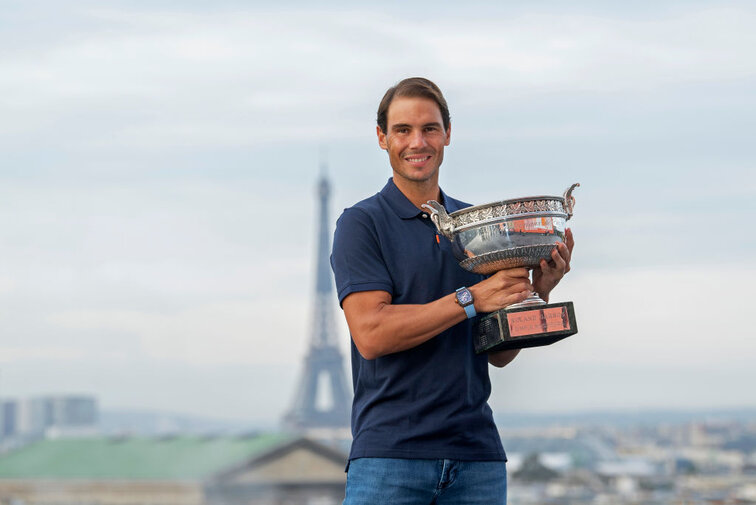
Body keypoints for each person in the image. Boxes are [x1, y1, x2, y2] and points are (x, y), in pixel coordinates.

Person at [330, 77, 574, 505]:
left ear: (447, 134)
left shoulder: (478, 226)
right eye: (403, 130)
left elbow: (497, 354)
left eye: (429, 128)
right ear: (382, 138)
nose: (417, 141)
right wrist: (473, 299)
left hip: (476, 458)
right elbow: (371, 335)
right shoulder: (362, 224)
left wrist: (537, 292)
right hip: (391, 459)